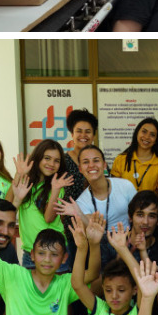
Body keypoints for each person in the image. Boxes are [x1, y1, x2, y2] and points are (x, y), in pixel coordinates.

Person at [56, 144, 137, 266]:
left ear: (104, 164)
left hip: (129, 242)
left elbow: (138, 216)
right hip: (100, 248)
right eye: (86, 162)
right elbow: (91, 228)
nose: (91, 165)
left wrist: (131, 241)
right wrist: (78, 213)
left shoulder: (125, 186)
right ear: (80, 169)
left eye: (96, 160)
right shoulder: (81, 202)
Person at [8, 139, 72, 271]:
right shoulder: (25, 182)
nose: (51, 164)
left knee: (56, 291)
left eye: (56, 161)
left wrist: (55, 190)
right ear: (37, 158)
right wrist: (19, 174)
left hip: (55, 252)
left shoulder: (58, 186)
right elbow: (7, 207)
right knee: (31, 291)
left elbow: (49, 218)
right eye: (47, 158)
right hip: (30, 252)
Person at [59, 108, 97, 264]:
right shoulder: (63, 161)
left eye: (88, 131)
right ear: (72, 134)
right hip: (68, 229)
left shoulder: (97, 160)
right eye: (79, 131)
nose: (83, 135)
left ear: (93, 135)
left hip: (92, 227)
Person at [110, 117, 158, 198]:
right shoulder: (120, 159)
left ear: (156, 140)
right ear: (137, 133)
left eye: (152, 135)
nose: (147, 137)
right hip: (123, 209)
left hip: (150, 209)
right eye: (144, 131)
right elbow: (114, 191)